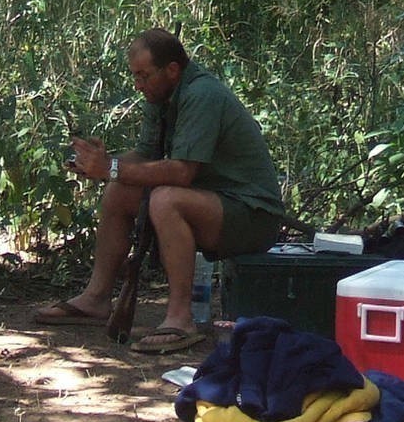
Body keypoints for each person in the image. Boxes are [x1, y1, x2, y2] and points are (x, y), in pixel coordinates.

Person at [33, 29, 284, 353]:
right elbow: (145, 157)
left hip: (251, 216)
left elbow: (181, 172)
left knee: (166, 199)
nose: (138, 85)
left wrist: (111, 168)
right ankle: (96, 299)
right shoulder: (160, 95)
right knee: (118, 191)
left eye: (143, 75)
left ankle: (180, 319)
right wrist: (102, 164)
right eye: (135, 76)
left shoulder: (202, 94)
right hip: (212, 203)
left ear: (172, 70)